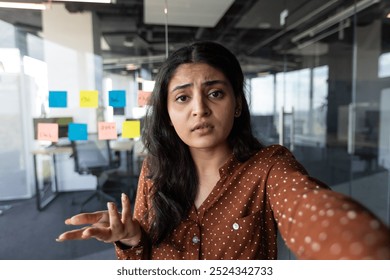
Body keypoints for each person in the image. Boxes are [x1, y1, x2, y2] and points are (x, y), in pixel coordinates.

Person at [57, 41, 390, 260]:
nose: (199, 109)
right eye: (183, 98)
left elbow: (310, 209)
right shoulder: (154, 170)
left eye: (215, 93)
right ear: (168, 114)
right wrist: (131, 240)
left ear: (238, 105)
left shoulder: (268, 168)